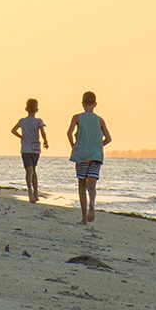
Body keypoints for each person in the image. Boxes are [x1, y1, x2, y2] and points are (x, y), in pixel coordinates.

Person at [67, 91, 112, 224]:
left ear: (82, 103)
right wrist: (99, 146)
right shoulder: (100, 120)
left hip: (81, 156)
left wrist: (74, 146)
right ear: (95, 104)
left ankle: (84, 218)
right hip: (96, 156)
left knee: (82, 185)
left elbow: (69, 133)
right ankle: (92, 205)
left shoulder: (77, 117)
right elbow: (109, 139)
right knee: (91, 186)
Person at [11, 99, 48, 202]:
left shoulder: (25, 121)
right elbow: (42, 132)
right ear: (37, 109)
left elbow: (13, 131)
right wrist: (45, 141)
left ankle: (35, 192)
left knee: (32, 170)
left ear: (26, 109)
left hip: (30, 149)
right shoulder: (36, 121)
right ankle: (31, 192)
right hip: (32, 149)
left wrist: (21, 137)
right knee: (31, 170)